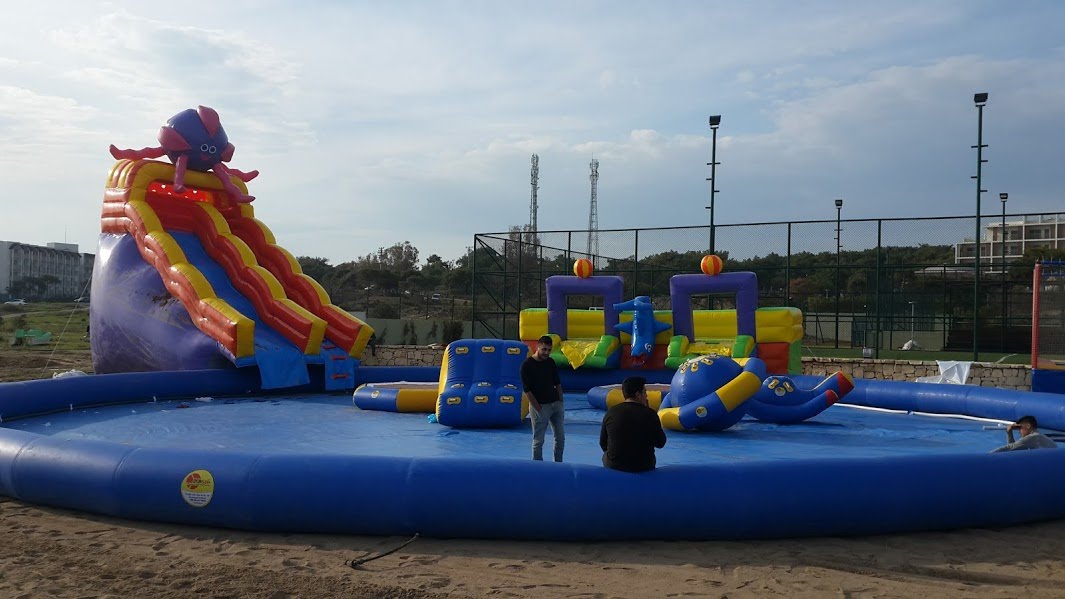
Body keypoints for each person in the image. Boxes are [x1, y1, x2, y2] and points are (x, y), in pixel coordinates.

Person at [600, 376, 667, 472]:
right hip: (643, 466)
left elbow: (603, 443)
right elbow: (660, 443)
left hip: (615, 465)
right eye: (645, 392)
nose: (646, 396)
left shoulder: (611, 412)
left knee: (606, 456)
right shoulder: (649, 414)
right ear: (638, 394)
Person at [521, 335, 564, 462]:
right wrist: (538, 408)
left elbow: (557, 383)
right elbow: (527, 390)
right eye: (544, 349)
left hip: (555, 404)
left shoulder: (550, 362)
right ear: (537, 347)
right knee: (539, 440)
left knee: (560, 438)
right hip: (540, 406)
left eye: (549, 350)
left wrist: (560, 401)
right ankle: (538, 467)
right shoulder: (527, 365)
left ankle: (558, 464)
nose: (546, 353)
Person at [991, 415, 1057, 452]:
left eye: (1020, 428)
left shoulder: (1033, 437)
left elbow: (1009, 448)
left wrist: (988, 456)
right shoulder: (1038, 437)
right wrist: (1009, 432)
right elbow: (1013, 450)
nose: (1019, 431)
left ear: (1028, 426)